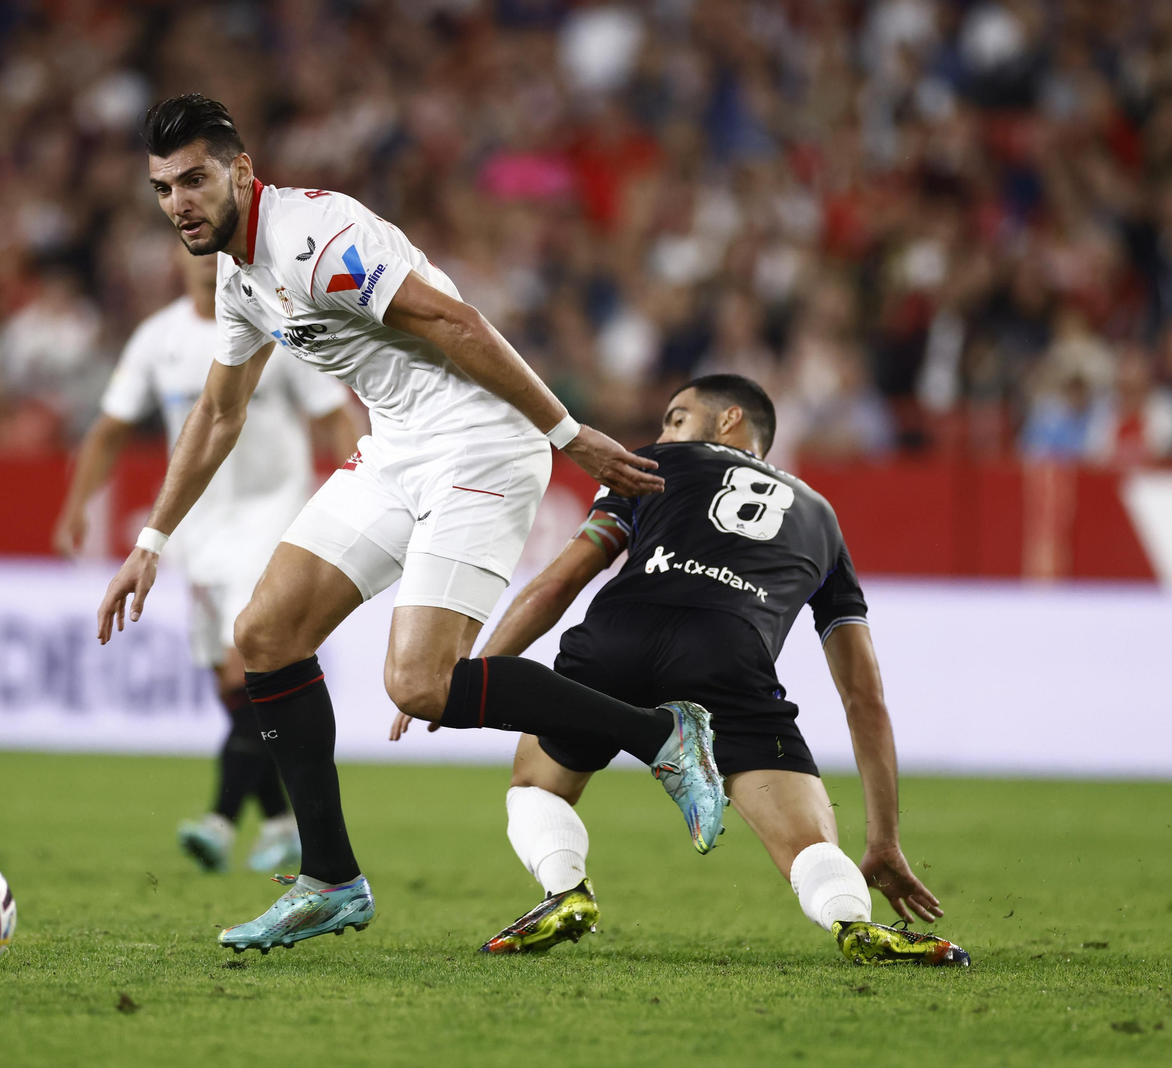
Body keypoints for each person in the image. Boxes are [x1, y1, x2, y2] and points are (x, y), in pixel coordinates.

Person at [97, 94, 727, 954]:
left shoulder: (316, 240)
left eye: (195, 179)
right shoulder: (239, 276)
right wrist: (149, 545)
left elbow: (454, 322)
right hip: (397, 446)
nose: (179, 203)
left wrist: (568, 433)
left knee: (421, 685)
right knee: (265, 634)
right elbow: (217, 412)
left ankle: (664, 734)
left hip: (482, 444)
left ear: (242, 172)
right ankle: (329, 879)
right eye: (163, 187)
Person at [393, 374, 969, 966]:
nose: (663, 432)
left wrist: (471, 675)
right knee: (808, 843)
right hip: (727, 658)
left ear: (730, 420)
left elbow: (558, 583)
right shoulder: (823, 520)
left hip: (618, 634)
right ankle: (853, 921)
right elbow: (863, 695)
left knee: (534, 788)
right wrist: (885, 839)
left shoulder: (652, 466)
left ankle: (565, 891)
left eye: (676, 417)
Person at [55, 247, 359, 875]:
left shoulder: (273, 321)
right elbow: (110, 428)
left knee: (239, 673)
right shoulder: (156, 338)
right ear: (177, 258)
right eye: (196, 256)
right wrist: (78, 504)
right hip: (197, 535)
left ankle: (220, 821)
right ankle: (281, 823)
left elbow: (336, 414)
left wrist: (365, 486)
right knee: (237, 696)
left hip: (272, 520)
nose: (206, 266)